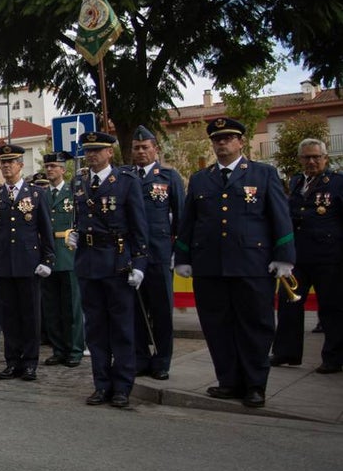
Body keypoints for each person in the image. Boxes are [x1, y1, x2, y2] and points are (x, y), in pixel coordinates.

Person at [175, 117, 295, 409]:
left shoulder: (263, 174)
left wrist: (284, 257)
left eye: (228, 138)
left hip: (252, 265)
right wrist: (183, 256)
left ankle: (255, 385)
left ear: (241, 142)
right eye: (217, 139)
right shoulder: (201, 178)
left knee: (255, 326)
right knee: (217, 326)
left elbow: (280, 218)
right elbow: (189, 222)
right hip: (210, 266)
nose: (222, 144)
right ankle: (228, 381)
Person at [65, 132, 149, 409]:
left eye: (97, 151)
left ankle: (123, 386)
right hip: (88, 262)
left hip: (117, 262)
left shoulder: (126, 182)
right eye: (88, 151)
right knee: (97, 329)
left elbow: (139, 227)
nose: (92, 156)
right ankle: (102, 384)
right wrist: (76, 234)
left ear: (110, 153)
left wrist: (139, 263)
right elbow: (80, 218)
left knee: (122, 328)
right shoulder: (80, 182)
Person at [0, 143, 55, 382]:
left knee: (30, 315)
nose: (5, 167)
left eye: (10, 163)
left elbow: (45, 228)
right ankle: (12, 361)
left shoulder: (35, 194)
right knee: (9, 316)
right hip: (4, 263)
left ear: (20, 165)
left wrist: (47, 258)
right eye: (2, 163)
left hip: (28, 262)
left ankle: (30, 362)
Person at [273, 138, 342, 375]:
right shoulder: (296, 181)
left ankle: (334, 358)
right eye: (306, 157)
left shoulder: (337, 183)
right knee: (289, 303)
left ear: (325, 158)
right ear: (300, 159)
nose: (311, 161)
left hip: (329, 257)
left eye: (316, 157)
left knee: (331, 309)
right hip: (297, 256)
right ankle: (286, 352)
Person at [126, 126, 185, 379]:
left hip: (160, 253)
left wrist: (178, 251)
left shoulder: (169, 177)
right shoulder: (125, 176)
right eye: (136, 148)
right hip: (131, 256)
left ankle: (162, 361)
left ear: (155, 150)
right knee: (135, 311)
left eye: (145, 148)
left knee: (162, 311)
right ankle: (140, 358)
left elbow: (181, 218)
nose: (140, 152)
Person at [41, 152, 85, 368]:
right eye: (47, 166)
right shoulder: (41, 195)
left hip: (68, 253)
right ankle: (58, 349)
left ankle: (75, 349)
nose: (50, 170)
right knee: (52, 308)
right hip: (48, 256)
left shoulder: (73, 192)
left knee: (71, 307)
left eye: (54, 166)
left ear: (63, 170)